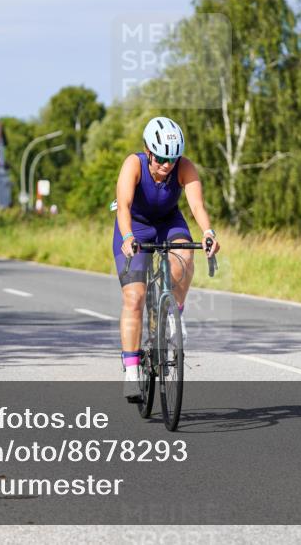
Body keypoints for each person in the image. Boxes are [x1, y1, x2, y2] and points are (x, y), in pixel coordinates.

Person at [112, 116, 220, 400]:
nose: (166, 164)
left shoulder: (184, 167)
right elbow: (123, 206)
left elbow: (197, 205)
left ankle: (174, 313)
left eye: (172, 159)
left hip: (169, 222)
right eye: (160, 158)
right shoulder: (133, 164)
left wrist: (208, 232)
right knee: (134, 297)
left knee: (184, 254)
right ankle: (132, 370)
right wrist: (127, 237)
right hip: (135, 226)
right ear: (148, 151)